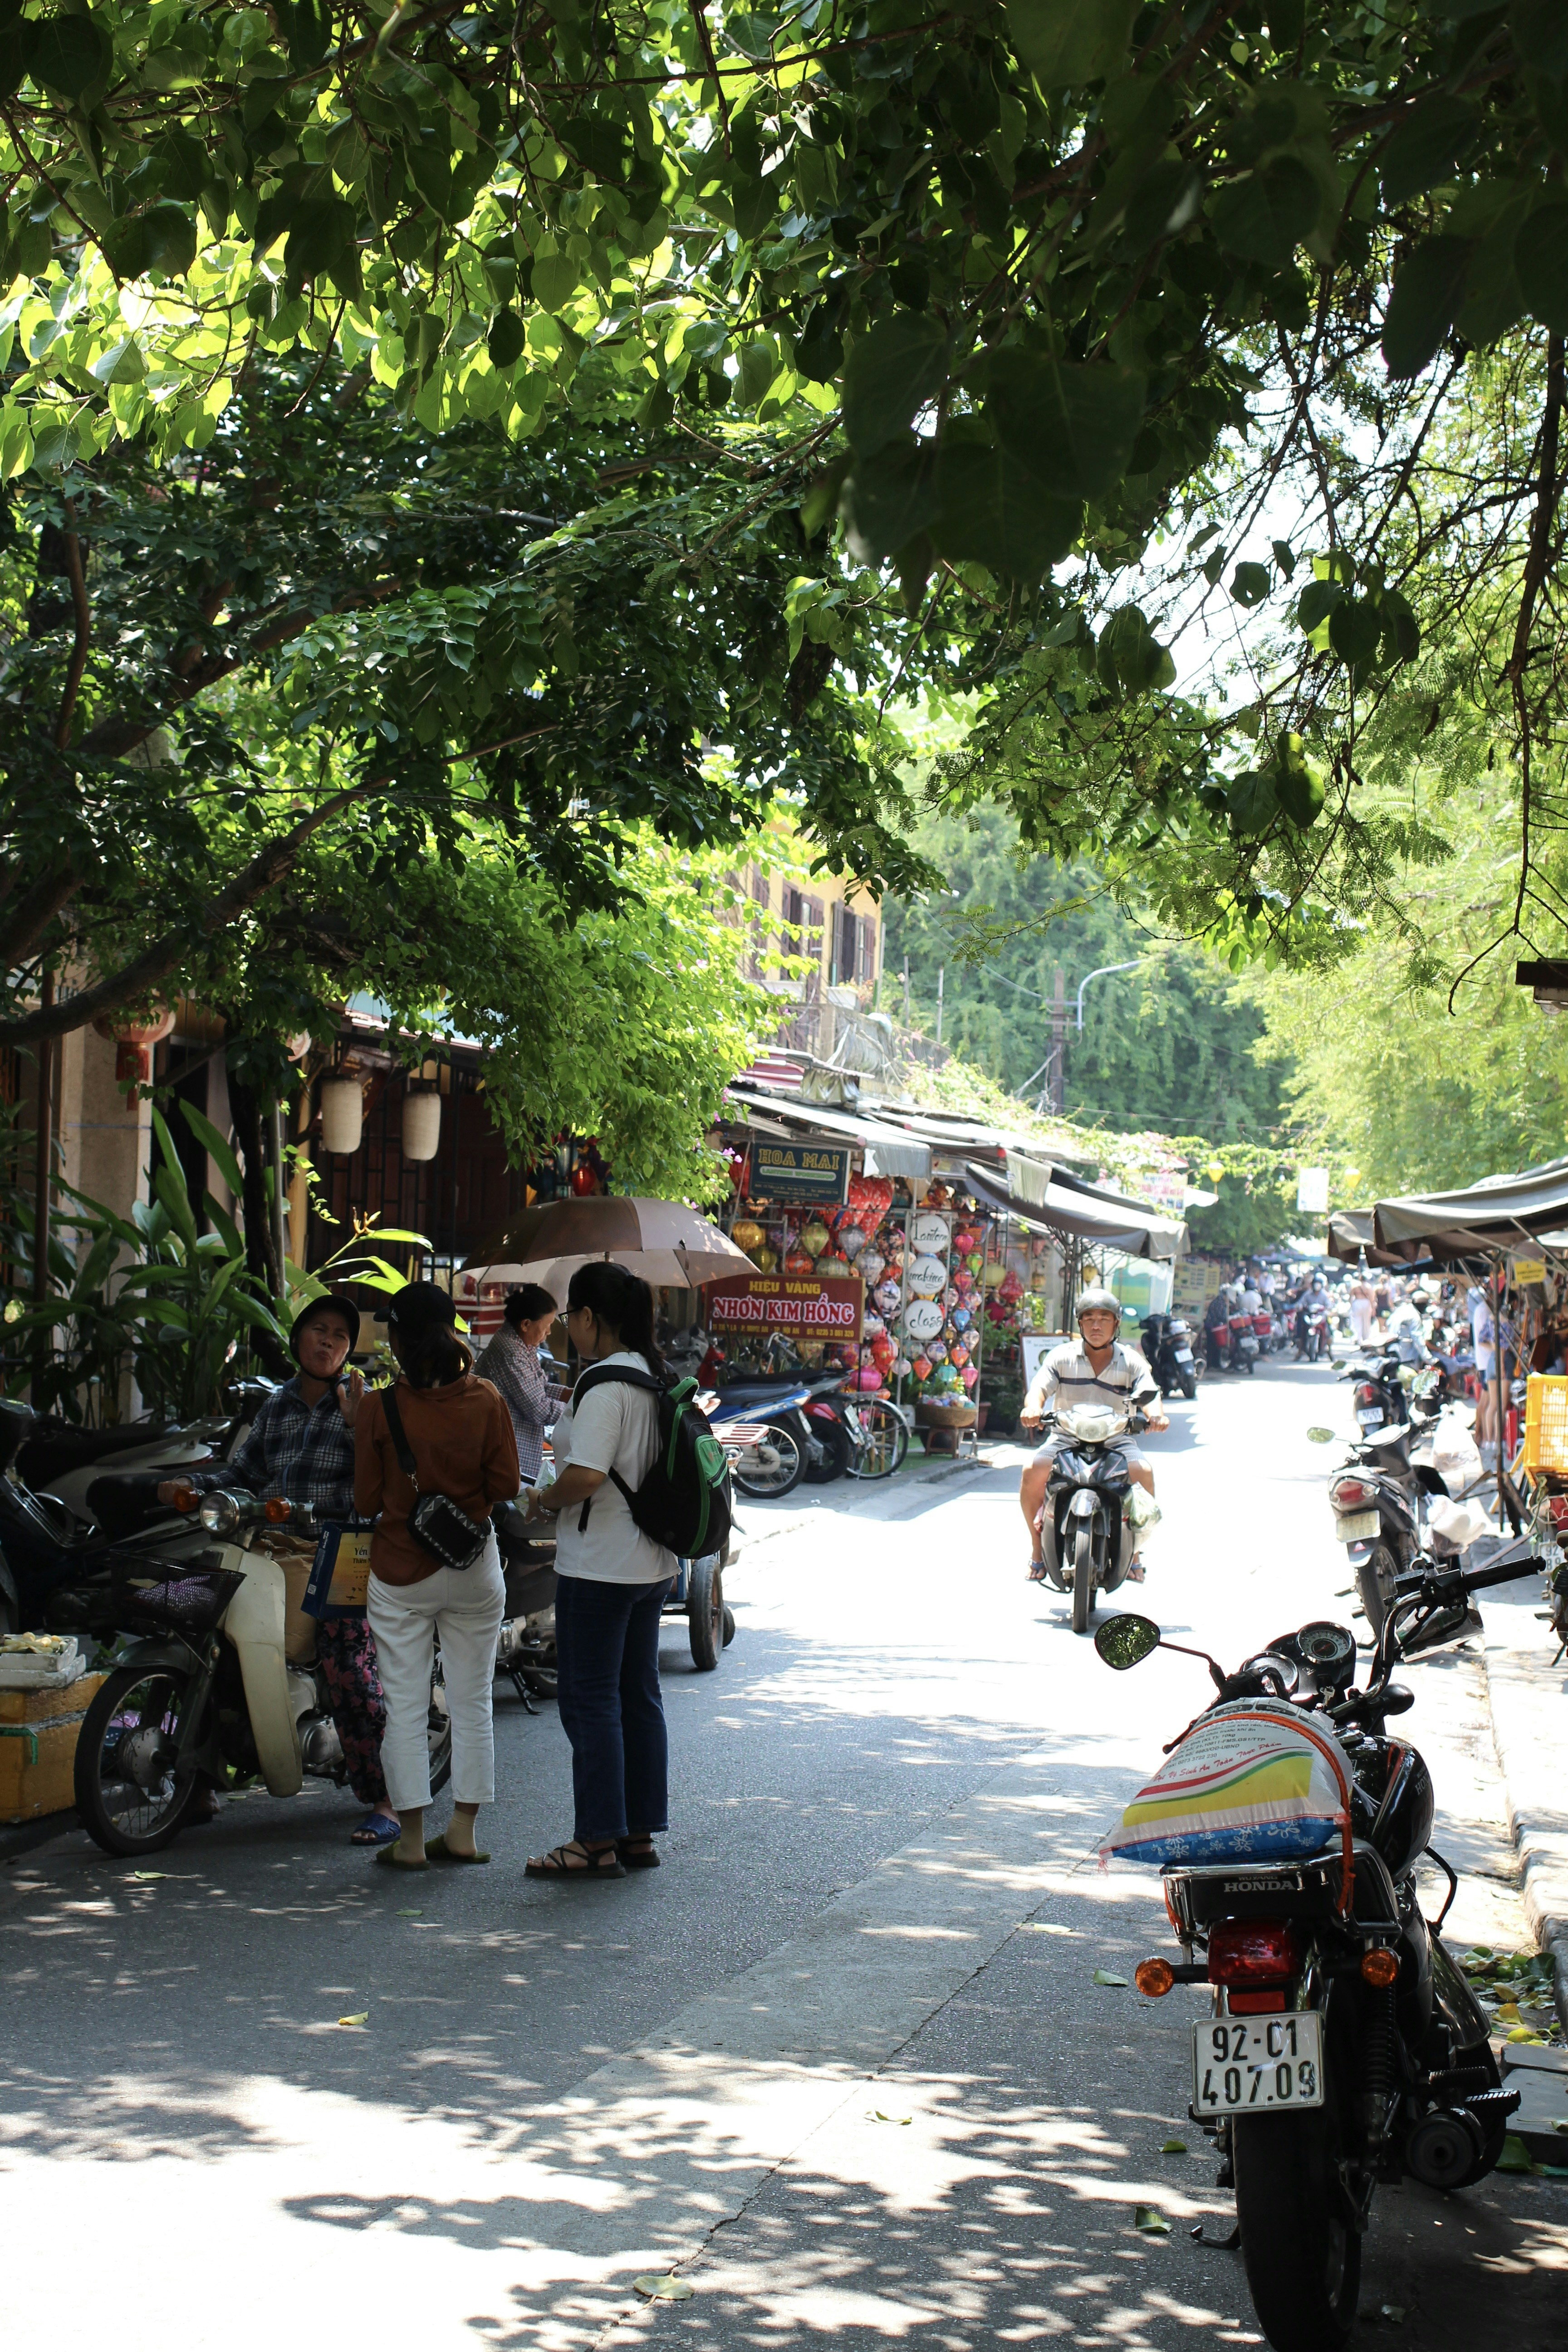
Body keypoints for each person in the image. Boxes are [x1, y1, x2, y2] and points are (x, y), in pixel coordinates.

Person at [161, 1293, 398, 1847]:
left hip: (343, 1549)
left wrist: (357, 1424)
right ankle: (198, 1779)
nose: (329, 1342)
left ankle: (385, 1797)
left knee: (347, 1663)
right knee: (210, 1640)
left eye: (340, 1336)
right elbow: (242, 1470)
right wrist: (191, 1487)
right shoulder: (277, 1405)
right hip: (271, 1544)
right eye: (319, 1330)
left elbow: (382, 1481)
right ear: (298, 1339)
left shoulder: (365, 1404)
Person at [354, 1281, 519, 1870]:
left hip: (400, 1572)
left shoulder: (379, 1408)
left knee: (404, 1706)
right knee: (472, 1701)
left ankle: (411, 1841)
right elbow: (504, 1487)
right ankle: (464, 1833)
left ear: (398, 1339)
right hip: (473, 1565)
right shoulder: (487, 1400)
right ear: (452, 1331)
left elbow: (368, 1499)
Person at [522, 1261, 677, 1880]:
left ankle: (594, 1841)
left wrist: (543, 1498)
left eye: (570, 1319)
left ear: (590, 1318)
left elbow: (584, 1476)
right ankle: (637, 1834)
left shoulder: (604, 1387)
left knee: (590, 1702)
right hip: (651, 1565)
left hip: (601, 1568)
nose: (567, 1331)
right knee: (638, 1696)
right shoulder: (654, 1377)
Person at [1018, 1288, 1168, 1585]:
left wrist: (1156, 1416)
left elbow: (1150, 1394)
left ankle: (1135, 1551)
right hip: (1066, 1438)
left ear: (1116, 1324)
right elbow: (1038, 1389)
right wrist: (1032, 1409)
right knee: (1033, 1469)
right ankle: (1037, 1550)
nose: (1096, 1325)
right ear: (1080, 1324)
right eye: (1089, 1319)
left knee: (1143, 1471)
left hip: (1116, 1440)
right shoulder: (1061, 1357)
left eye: (1104, 1318)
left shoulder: (1131, 1361)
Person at [474, 1284, 565, 1486]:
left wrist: (569, 1394)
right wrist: (577, 1409)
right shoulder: (511, 1353)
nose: (549, 1332)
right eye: (547, 1325)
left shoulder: (522, 1343)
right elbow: (539, 1409)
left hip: (514, 1447)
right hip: (505, 1449)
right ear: (526, 1324)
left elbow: (539, 1387)